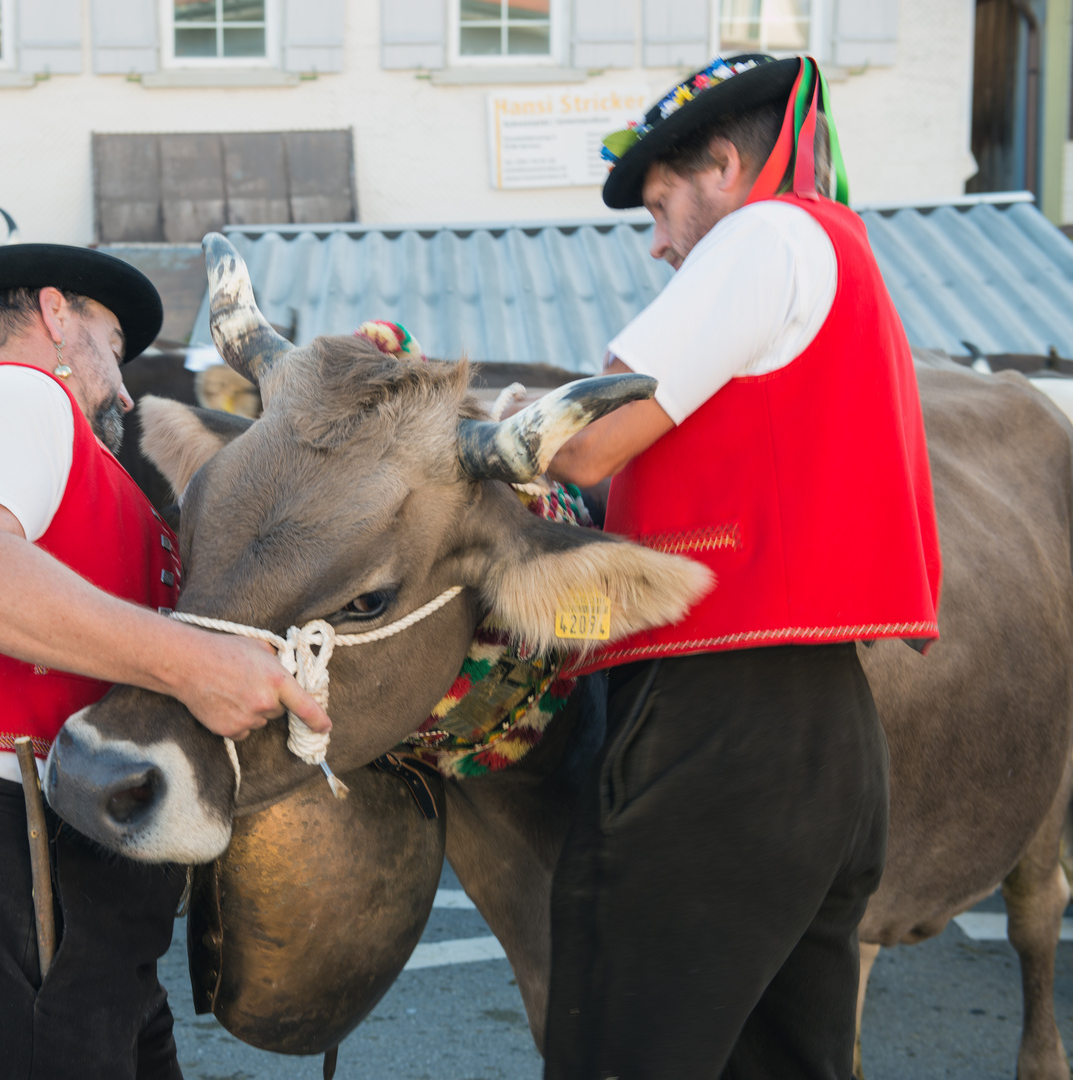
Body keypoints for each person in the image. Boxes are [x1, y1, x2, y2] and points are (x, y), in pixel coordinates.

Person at [539, 55, 942, 1078]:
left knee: (621, 1055)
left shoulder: (764, 231)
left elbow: (583, 441)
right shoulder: (842, 252)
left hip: (715, 728)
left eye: (664, 203)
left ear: (724, 164)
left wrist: (494, 428)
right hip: (825, 733)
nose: (659, 244)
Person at [0, 244, 330, 1080]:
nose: (123, 387)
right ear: (54, 314)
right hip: (15, 856)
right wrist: (194, 665)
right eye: (114, 347)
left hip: (63, 876)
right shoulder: (11, 389)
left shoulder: (61, 441)